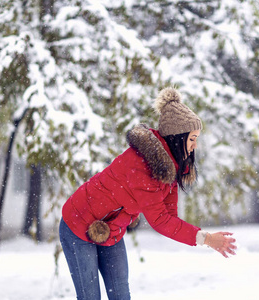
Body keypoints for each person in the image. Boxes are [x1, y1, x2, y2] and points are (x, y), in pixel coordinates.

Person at [59, 87, 237, 300]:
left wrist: (202, 237)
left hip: (111, 229)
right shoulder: (143, 167)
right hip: (78, 223)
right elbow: (160, 221)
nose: (195, 146)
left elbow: (169, 217)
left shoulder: (168, 170)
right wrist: (206, 239)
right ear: (177, 138)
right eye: (192, 139)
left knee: (121, 295)